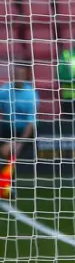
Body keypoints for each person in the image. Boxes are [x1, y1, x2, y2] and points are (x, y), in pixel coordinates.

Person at [0, 63, 39, 197]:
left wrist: (19, 144)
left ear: (26, 76)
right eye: (16, 75)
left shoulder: (31, 95)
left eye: (21, 75)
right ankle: (7, 185)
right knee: (6, 152)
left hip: (25, 132)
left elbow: (30, 124)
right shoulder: (4, 91)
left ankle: (10, 186)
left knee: (9, 152)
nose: (18, 78)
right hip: (6, 128)